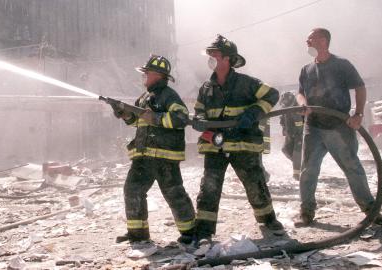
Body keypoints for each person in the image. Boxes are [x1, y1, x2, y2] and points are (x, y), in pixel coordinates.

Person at [193, 34, 284, 245]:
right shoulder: (206, 88)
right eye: (210, 55)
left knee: (255, 184)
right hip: (215, 145)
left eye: (214, 55)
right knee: (209, 188)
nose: (211, 58)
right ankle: (204, 230)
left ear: (227, 59)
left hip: (244, 145)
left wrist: (254, 111)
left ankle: (268, 221)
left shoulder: (247, 83)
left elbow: (272, 94)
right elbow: (199, 110)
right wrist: (199, 120)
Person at [296, 28, 382, 225]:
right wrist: (302, 103)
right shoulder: (306, 69)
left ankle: (370, 208)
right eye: (307, 38)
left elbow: (360, 87)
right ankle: (306, 211)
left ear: (324, 41)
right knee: (308, 170)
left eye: (311, 38)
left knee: (352, 167)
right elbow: (300, 92)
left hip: (339, 126)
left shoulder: (341, 65)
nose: (307, 41)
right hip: (313, 127)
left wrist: (359, 114)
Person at [112, 55, 196, 244]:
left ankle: (190, 233)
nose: (144, 77)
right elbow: (136, 121)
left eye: (147, 74)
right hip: (143, 156)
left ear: (158, 75)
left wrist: (156, 118)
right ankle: (137, 234)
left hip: (164, 157)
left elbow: (181, 118)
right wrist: (125, 114)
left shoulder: (169, 96)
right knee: (132, 190)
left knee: (174, 194)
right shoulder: (144, 98)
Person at [279, 91, 303, 180]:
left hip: (299, 134)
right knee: (285, 150)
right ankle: (303, 163)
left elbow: (300, 123)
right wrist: (285, 130)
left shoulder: (297, 107)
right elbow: (282, 120)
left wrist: (299, 135)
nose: (284, 104)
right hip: (290, 133)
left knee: (297, 153)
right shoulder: (285, 108)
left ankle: (297, 174)